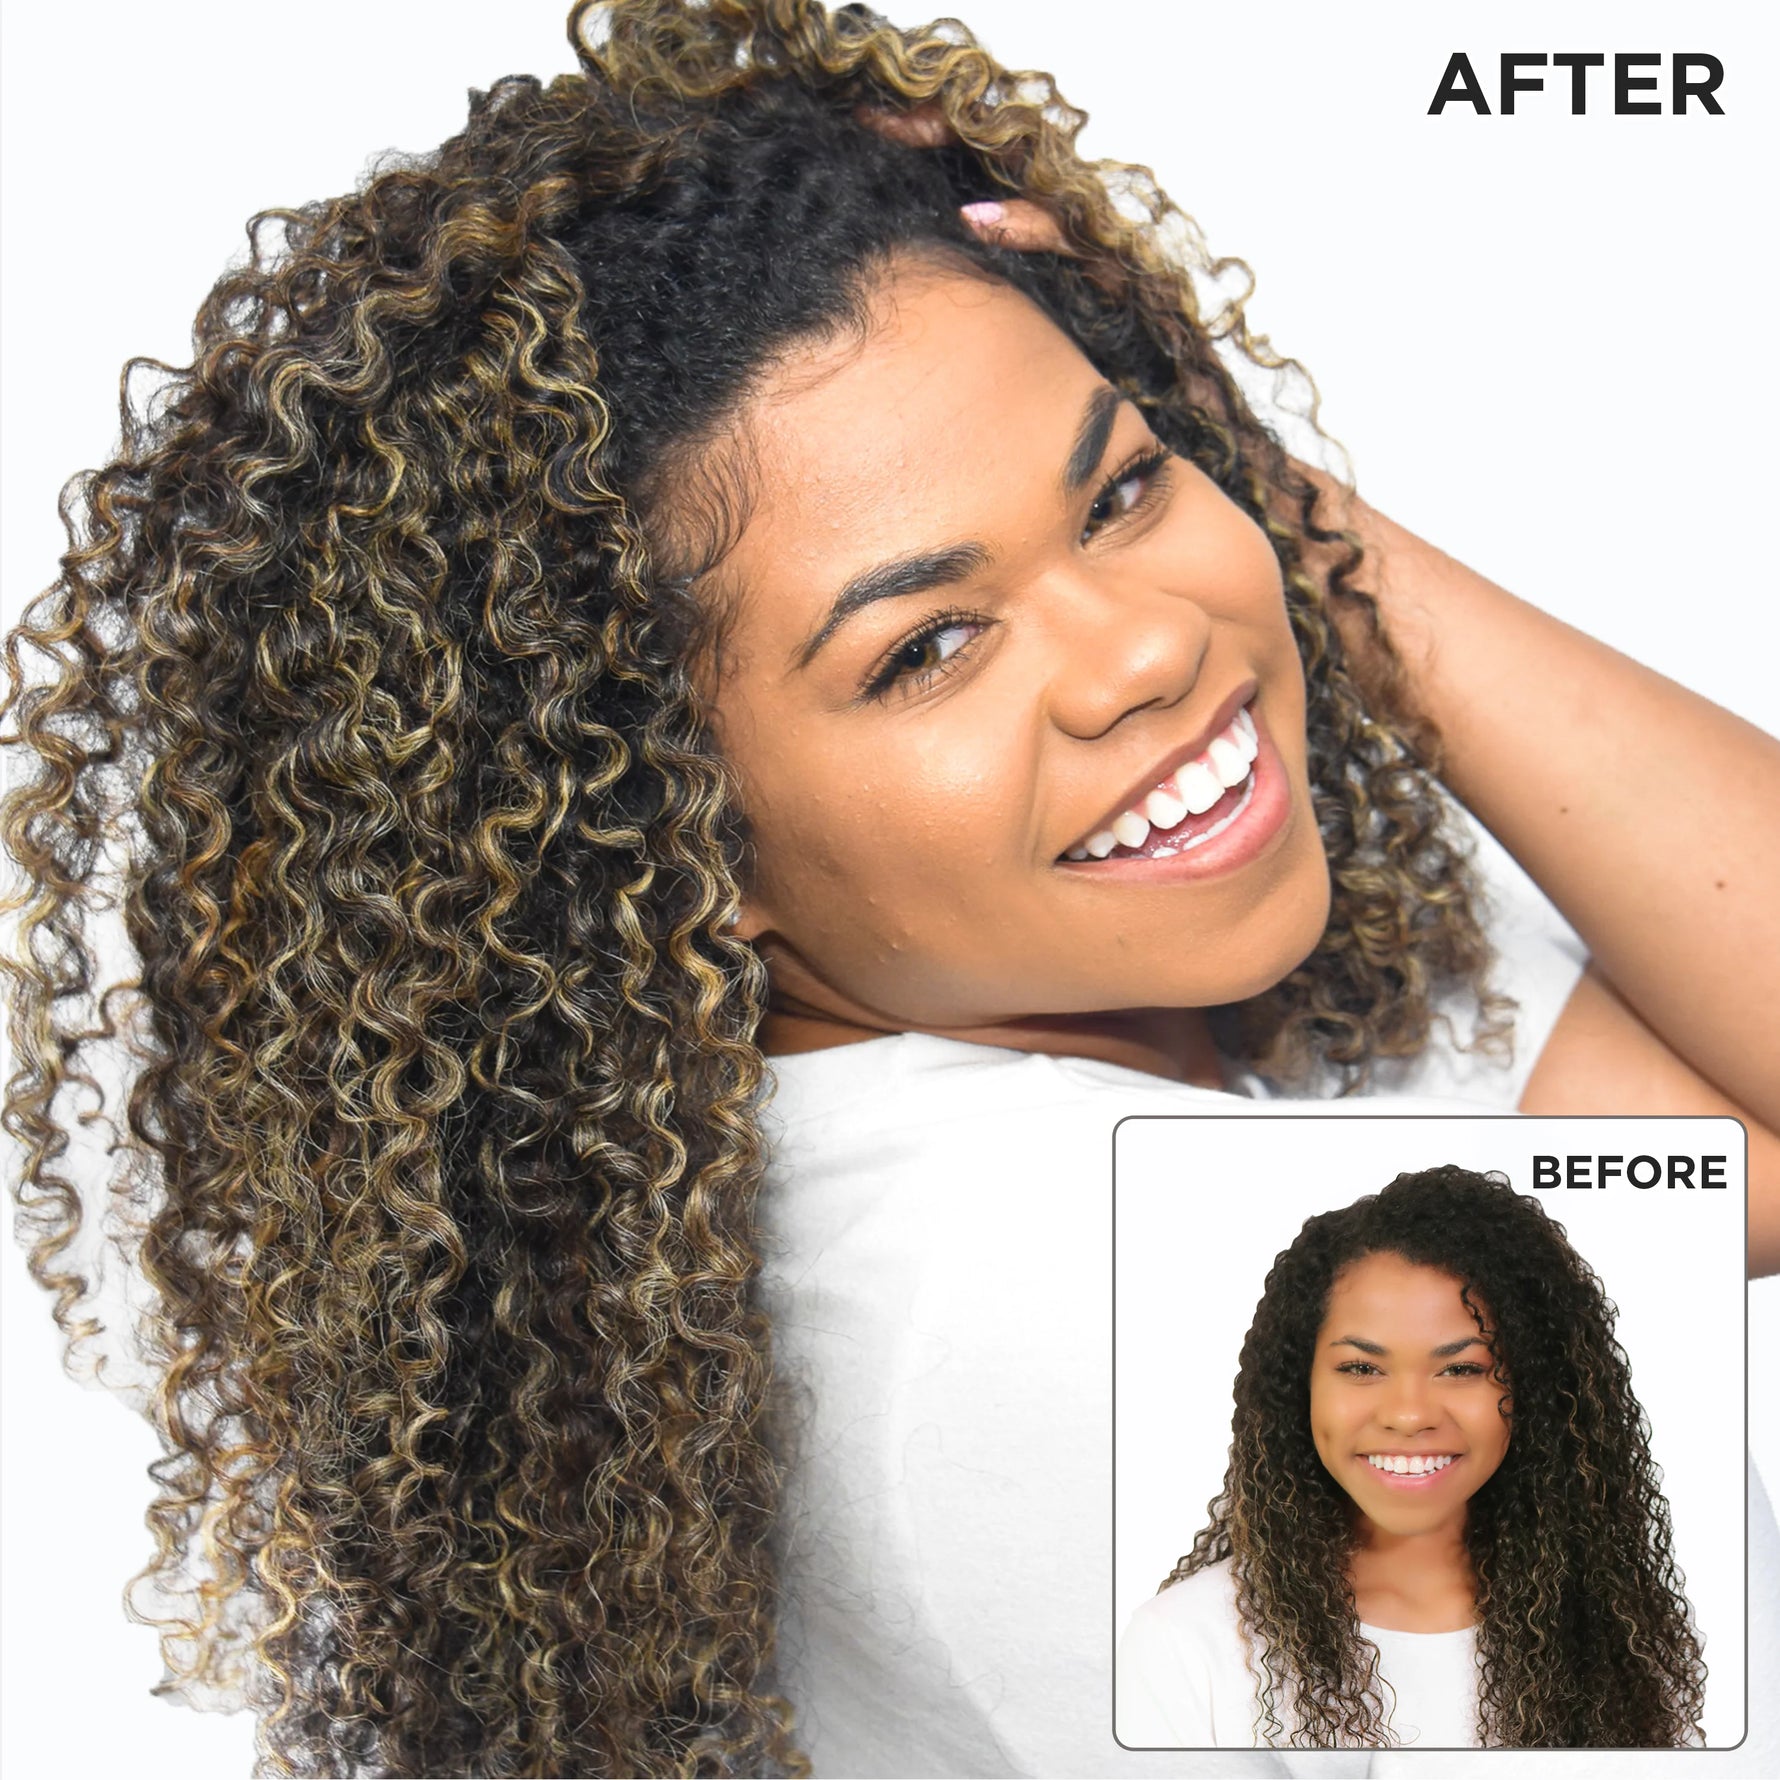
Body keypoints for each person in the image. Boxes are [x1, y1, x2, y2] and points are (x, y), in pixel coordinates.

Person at [1, 1, 1776, 1775]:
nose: (1147, 652)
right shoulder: (1037, 1285)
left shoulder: (1157, 938)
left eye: (1127, 488)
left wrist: (1273, 506)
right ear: (669, 839)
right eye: (929, 646)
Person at [1116, 1166, 1707, 1750]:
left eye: (1461, 1368)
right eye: (1361, 1368)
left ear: (1538, 1394)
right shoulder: (1187, 1645)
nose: (1408, 1414)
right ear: (1300, 1387)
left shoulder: (1615, 1638)